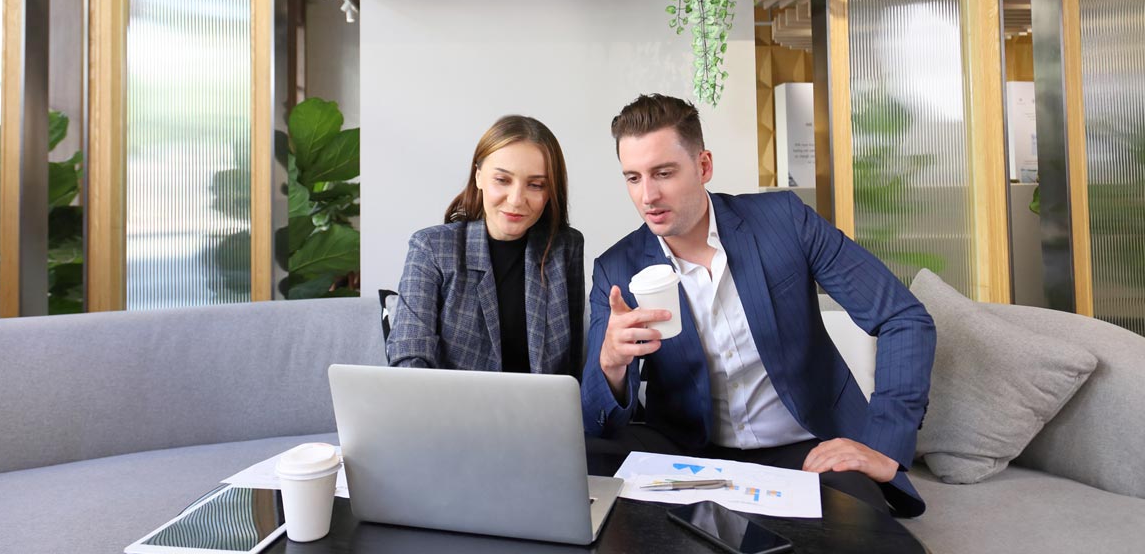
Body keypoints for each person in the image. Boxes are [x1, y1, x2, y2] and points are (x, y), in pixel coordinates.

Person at [581, 94, 936, 517]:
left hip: (807, 448)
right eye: (633, 178)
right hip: (692, 455)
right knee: (584, 459)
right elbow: (596, 419)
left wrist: (883, 443)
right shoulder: (617, 268)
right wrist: (611, 363)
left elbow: (903, 317)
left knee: (854, 524)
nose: (648, 195)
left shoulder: (784, 221)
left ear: (703, 166)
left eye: (663, 173)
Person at [387, 115, 585, 377]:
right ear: (479, 176)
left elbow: (572, 367)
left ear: (550, 192)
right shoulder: (431, 248)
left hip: (538, 414)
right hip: (451, 412)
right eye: (502, 180)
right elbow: (408, 357)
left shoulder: (565, 247)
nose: (516, 200)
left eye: (536, 185)